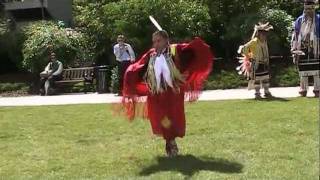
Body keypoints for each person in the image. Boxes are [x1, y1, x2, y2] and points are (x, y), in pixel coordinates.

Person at [121, 30, 213, 157]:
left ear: (166, 40)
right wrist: (130, 74)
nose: (156, 44)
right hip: (157, 94)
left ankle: (170, 141)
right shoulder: (151, 54)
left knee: (172, 118)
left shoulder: (175, 50)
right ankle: (170, 140)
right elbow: (139, 66)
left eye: (158, 41)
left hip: (173, 94)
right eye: (154, 41)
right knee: (161, 117)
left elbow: (191, 51)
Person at [237, 22, 274, 99]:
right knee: (257, 79)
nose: (264, 35)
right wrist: (249, 56)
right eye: (263, 34)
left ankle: (266, 92)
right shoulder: (254, 41)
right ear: (259, 34)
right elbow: (245, 48)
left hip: (264, 63)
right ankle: (257, 93)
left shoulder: (264, 42)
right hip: (257, 63)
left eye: (265, 34)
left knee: (265, 78)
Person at [291, 0, 320, 97]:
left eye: (311, 9)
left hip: (316, 48)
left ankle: (317, 89)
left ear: (314, 8)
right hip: (302, 47)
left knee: (317, 69)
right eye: (307, 9)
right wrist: (294, 48)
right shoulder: (299, 20)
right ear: (304, 8)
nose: (309, 11)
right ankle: (303, 89)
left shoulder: (318, 19)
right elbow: (295, 35)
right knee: (303, 69)